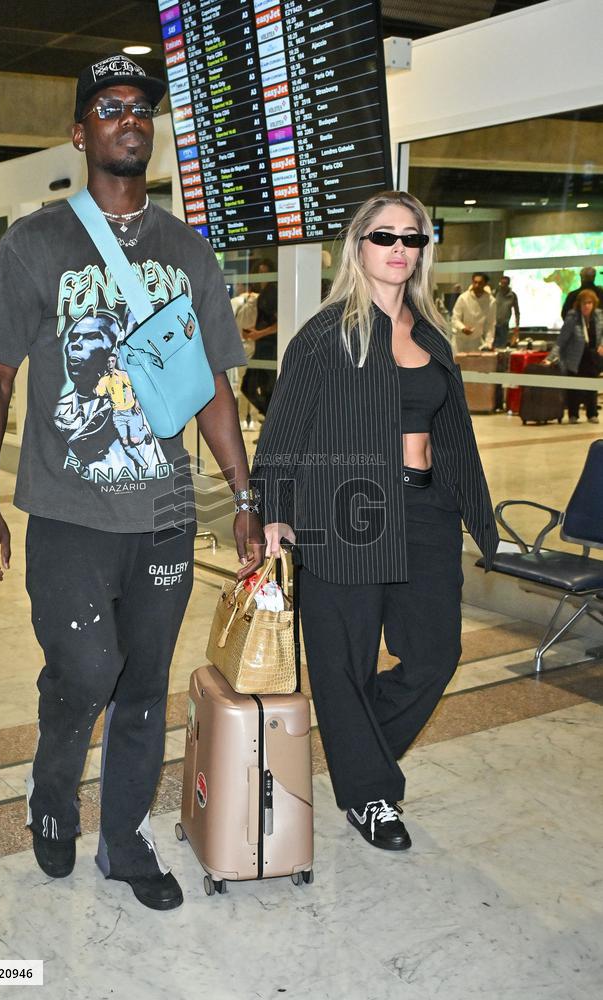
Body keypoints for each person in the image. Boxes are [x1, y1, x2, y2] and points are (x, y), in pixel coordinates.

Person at [0, 54, 264, 911]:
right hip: (67, 508)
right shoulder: (38, 242)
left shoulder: (187, 250)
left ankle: (125, 839)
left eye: (141, 107)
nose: (128, 117)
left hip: (165, 509)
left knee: (142, 684)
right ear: (81, 132)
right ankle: (51, 791)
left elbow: (211, 388)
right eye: (108, 106)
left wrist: (242, 500)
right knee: (84, 669)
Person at [252, 190, 498, 851]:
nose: (398, 249)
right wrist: (271, 514)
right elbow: (281, 433)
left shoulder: (428, 331)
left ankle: (356, 755)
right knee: (343, 665)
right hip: (344, 510)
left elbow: (449, 430)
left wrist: (466, 501)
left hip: (424, 511)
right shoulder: (324, 334)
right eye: (384, 236)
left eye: (411, 238)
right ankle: (368, 795)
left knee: (434, 655)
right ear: (357, 246)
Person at [547, 289, 603, 423]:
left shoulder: (599, 316)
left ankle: (592, 414)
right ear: (579, 304)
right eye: (584, 303)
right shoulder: (573, 317)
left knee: (591, 386)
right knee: (574, 387)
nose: (587, 306)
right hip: (575, 357)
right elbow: (562, 340)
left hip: (592, 356)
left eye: (589, 303)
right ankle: (573, 414)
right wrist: (550, 358)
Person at [240, 259, 278, 416]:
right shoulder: (265, 292)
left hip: (269, 348)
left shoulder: (272, 291)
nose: (262, 276)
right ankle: (271, 421)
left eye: (265, 272)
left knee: (258, 388)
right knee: (254, 387)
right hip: (263, 347)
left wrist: (258, 334)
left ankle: (272, 420)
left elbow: (280, 322)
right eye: (259, 272)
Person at [451, 272, 496, 352]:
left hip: (476, 342)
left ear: (485, 284)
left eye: (480, 283)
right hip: (459, 341)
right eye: (475, 282)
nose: (477, 285)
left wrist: (488, 343)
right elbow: (455, 318)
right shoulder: (463, 298)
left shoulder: (491, 301)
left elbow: (490, 324)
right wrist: (463, 328)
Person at [494, 275, 520, 348]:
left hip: (504, 324)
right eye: (502, 283)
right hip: (493, 323)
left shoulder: (512, 295)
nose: (503, 285)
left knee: (501, 345)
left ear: (508, 284)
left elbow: (517, 311)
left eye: (505, 283)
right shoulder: (495, 293)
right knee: (492, 344)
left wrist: (517, 325)